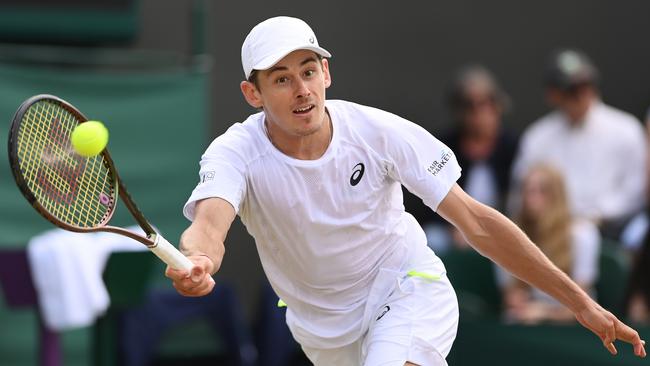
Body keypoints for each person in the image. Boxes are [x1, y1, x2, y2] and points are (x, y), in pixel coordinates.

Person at [166, 17, 646, 366]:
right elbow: (209, 226)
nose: (302, 91)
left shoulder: (380, 133)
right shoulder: (235, 152)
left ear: (326, 74)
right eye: (282, 79)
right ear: (254, 95)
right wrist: (200, 259)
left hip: (405, 285)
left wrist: (581, 303)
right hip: (323, 333)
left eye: (309, 72)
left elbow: (476, 222)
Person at [510, 49, 647, 239]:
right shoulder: (538, 137)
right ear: (553, 94)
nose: (582, 94)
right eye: (572, 89)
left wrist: (597, 215)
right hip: (550, 231)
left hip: (612, 229)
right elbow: (520, 190)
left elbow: (635, 189)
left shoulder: (626, 129)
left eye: (587, 85)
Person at [412, 65, 519, 251]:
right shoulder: (443, 147)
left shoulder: (513, 146)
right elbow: (427, 195)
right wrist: (457, 225)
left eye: (487, 103)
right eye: (470, 106)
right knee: (432, 239)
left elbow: (519, 196)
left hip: (503, 225)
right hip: (452, 228)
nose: (480, 114)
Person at [501, 164, 600, 324]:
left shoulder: (582, 234)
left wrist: (543, 312)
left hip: (574, 324)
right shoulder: (513, 233)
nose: (530, 198)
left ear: (557, 195)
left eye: (540, 191)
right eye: (527, 191)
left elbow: (584, 304)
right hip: (529, 318)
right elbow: (511, 293)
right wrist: (517, 300)